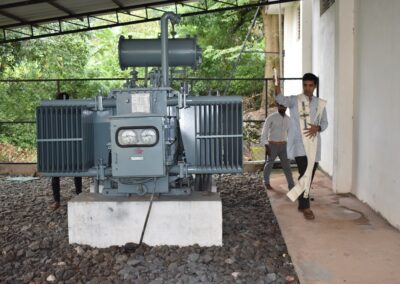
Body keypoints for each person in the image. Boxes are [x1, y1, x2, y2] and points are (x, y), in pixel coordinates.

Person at [275, 73, 328, 220]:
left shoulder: (320, 103)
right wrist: (276, 83)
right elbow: (280, 99)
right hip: (299, 144)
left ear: (315, 86)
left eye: (311, 85)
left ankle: (299, 200)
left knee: (308, 176)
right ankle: (306, 207)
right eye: (305, 85)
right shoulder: (295, 100)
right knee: (305, 172)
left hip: (314, 144)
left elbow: (325, 123)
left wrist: (316, 128)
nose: (308, 88)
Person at [50, 92, 82, 210]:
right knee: (74, 173)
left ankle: (58, 200)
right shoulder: (54, 113)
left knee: (71, 172)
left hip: (65, 145)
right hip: (64, 145)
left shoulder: (71, 112)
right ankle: (78, 195)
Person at [260, 103, 295, 191]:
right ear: (278, 106)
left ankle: (291, 186)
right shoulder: (271, 117)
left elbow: (291, 134)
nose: (282, 107)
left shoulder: (289, 119)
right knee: (269, 163)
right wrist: (266, 145)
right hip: (272, 145)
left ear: (286, 107)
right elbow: (264, 132)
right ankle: (266, 181)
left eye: (284, 106)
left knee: (287, 166)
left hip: (284, 145)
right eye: (281, 106)